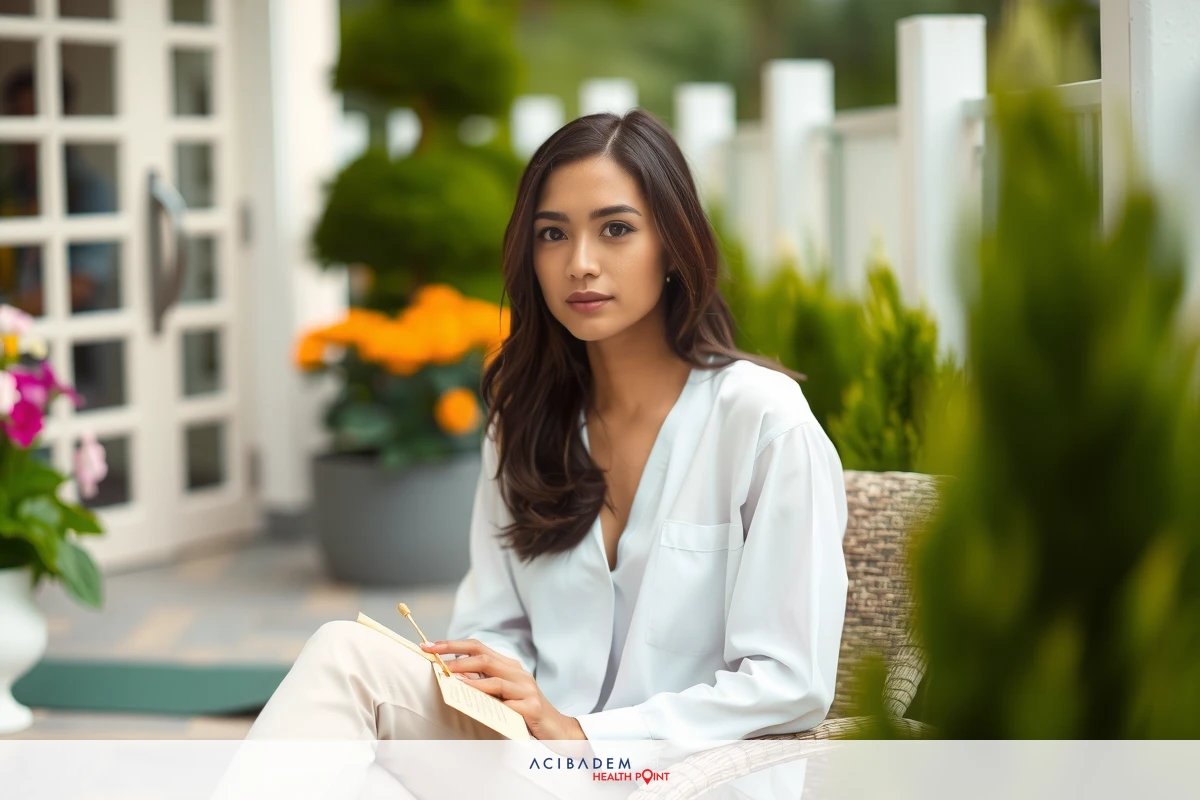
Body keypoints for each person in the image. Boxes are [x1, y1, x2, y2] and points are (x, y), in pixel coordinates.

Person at [219, 108, 848, 800]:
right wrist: (498, 679)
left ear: (672, 245)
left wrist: (582, 731)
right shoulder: (524, 422)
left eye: (616, 229)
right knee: (345, 657)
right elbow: (495, 620)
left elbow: (790, 684)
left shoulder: (761, 420)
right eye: (553, 234)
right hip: (538, 765)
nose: (580, 263)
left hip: (673, 778)